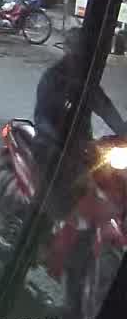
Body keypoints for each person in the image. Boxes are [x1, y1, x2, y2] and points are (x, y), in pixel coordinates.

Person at [32, 27, 127, 219]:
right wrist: (60, 143)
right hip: (51, 143)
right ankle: (40, 219)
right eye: (76, 53)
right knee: (57, 199)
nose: (79, 59)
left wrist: (123, 131)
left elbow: (104, 106)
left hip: (81, 144)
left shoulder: (86, 81)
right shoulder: (52, 78)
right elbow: (41, 117)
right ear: (68, 51)